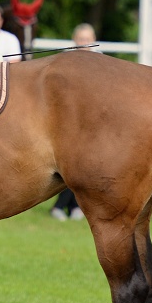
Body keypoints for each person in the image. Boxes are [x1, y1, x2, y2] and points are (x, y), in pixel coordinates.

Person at [50, 23, 100, 221]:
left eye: (88, 39)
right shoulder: (64, 62)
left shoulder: (102, 63)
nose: (84, 43)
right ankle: (65, 206)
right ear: (74, 40)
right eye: (81, 39)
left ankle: (71, 206)